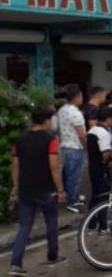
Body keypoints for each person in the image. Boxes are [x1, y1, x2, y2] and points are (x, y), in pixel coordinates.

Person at [10, 108, 67, 276]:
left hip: (25, 189)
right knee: (51, 223)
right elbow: (54, 167)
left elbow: (15, 166)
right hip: (46, 189)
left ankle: (15, 264)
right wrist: (60, 190)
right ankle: (52, 257)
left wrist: (15, 187)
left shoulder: (19, 140)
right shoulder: (51, 140)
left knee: (24, 227)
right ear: (46, 121)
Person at [57, 84, 86, 213]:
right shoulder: (76, 113)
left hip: (64, 146)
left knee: (66, 174)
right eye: (81, 96)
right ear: (76, 97)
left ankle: (72, 196)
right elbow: (81, 134)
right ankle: (72, 202)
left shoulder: (62, 110)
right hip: (75, 147)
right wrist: (86, 147)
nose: (82, 98)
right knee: (74, 176)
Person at [86, 106, 112, 233]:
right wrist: (107, 163)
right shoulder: (104, 134)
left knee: (95, 195)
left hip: (92, 168)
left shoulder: (92, 130)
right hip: (101, 169)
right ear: (108, 119)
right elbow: (105, 154)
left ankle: (91, 222)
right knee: (103, 197)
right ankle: (103, 225)